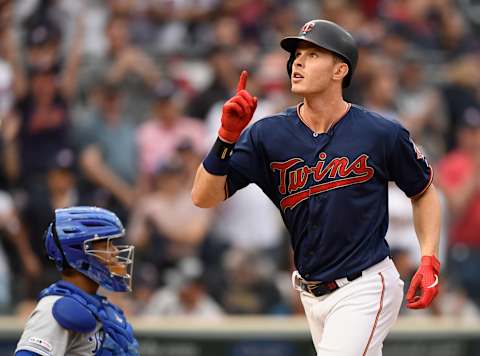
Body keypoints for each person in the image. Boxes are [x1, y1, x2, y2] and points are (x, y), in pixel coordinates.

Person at [192, 19, 442, 355]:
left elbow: (423, 191)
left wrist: (428, 259)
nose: (298, 61)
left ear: (340, 70)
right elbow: (203, 196)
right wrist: (225, 138)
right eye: (297, 55)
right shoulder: (268, 135)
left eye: (312, 54)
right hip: (311, 294)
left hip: (366, 284)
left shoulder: (380, 133)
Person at [15, 206, 139, 355]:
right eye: (106, 244)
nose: (116, 251)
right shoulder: (54, 308)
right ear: (79, 252)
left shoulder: (100, 306)